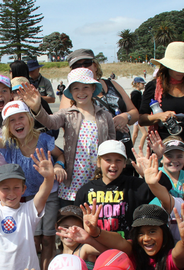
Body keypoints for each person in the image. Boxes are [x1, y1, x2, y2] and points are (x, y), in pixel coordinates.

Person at [0, 96, 65, 270]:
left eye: (21, 117)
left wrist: (58, 166)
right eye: (12, 120)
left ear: (30, 119)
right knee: (34, 239)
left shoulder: (44, 138)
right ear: (7, 126)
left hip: (49, 194)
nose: (17, 123)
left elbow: (60, 155)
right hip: (23, 198)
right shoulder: (9, 144)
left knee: (48, 238)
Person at [18, 69, 116, 206]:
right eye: (76, 88)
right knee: (70, 219)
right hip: (74, 180)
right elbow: (50, 122)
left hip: (97, 176)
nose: (81, 92)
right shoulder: (67, 114)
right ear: (71, 91)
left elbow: (112, 145)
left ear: (93, 88)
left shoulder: (105, 116)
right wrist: (37, 108)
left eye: (85, 87)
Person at [63, 49, 139, 164]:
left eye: (86, 63)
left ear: (95, 65)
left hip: (123, 150)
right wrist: (106, 126)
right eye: (77, 66)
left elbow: (135, 113)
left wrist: (125, 117)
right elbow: (67, 126)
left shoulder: (112, 84)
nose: (82, 68)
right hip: (95, 156)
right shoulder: (72, 93)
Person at [138, 42, 184, 165]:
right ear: (166, 66)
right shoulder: (153, 87)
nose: (180, 71)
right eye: (176, 67)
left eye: (183, 67)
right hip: (163, 146)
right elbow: (142, 119)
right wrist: (159, 116)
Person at [73, 140, 157, 238]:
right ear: (99, 162)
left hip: (126, 246)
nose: (113, 165)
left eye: (118, 160)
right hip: (95, 245)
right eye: (108, 160)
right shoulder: (85, 190)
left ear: (125, 163)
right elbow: (76, 220)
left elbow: (165, 185)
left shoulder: (134, 185)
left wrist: (147, 174)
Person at [130, 77, 148, 147]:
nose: (143, 85)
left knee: (135, 134)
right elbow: (133, 105)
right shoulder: (135, 93)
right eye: (142, 84)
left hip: (137, 116)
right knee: (145, 133)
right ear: (137, 84)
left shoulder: (138, 93)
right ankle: (140, 150)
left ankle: (131, 150)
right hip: (137, 116)